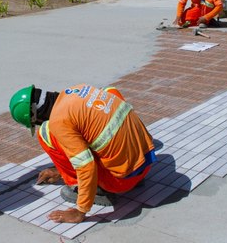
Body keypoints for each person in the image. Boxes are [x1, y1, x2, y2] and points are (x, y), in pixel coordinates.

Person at [9, 84, 156, 224]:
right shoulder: (77, 89)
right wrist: (59, 171)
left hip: (121, 181)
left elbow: (86, 166)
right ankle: (129, 169)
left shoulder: (58, 121)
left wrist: (80, 211)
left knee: (46, 133)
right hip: (146, 163)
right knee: (107, 92)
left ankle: (95, 190)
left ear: (35, 116)